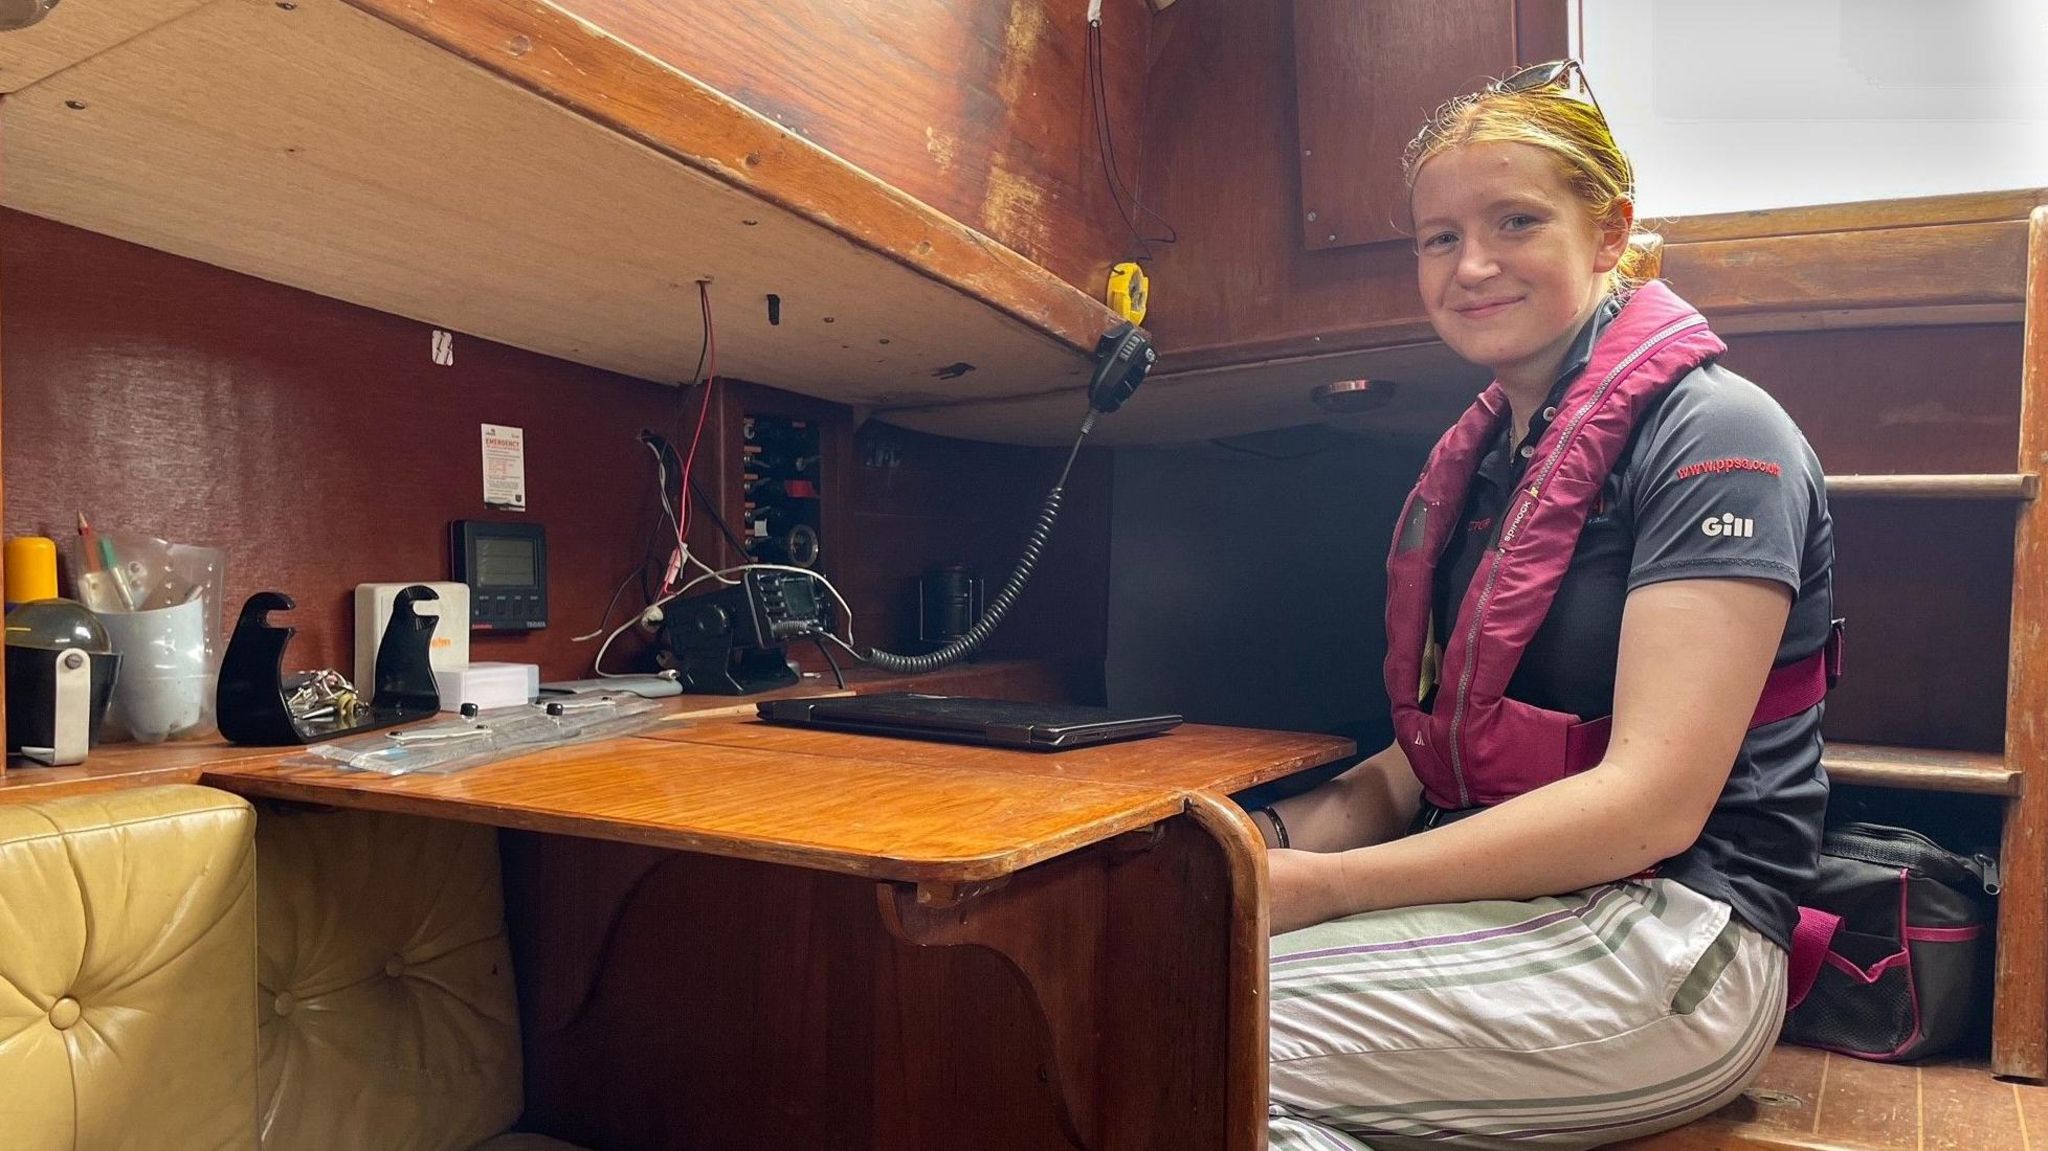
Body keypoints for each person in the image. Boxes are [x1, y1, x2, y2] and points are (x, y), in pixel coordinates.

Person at [1248, 60, 1836, 1150]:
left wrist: (1325, 889)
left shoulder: (1719, 437)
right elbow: (1412, 765)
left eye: (1514, 221)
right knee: (1156, 964)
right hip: (1497, 906)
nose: (1469, 266)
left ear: (1608, 232)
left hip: (1674, 936)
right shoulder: (1481, 473)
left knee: (1189, 1022)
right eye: (1437, 237)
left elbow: (1648, 804)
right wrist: (1250, 849)